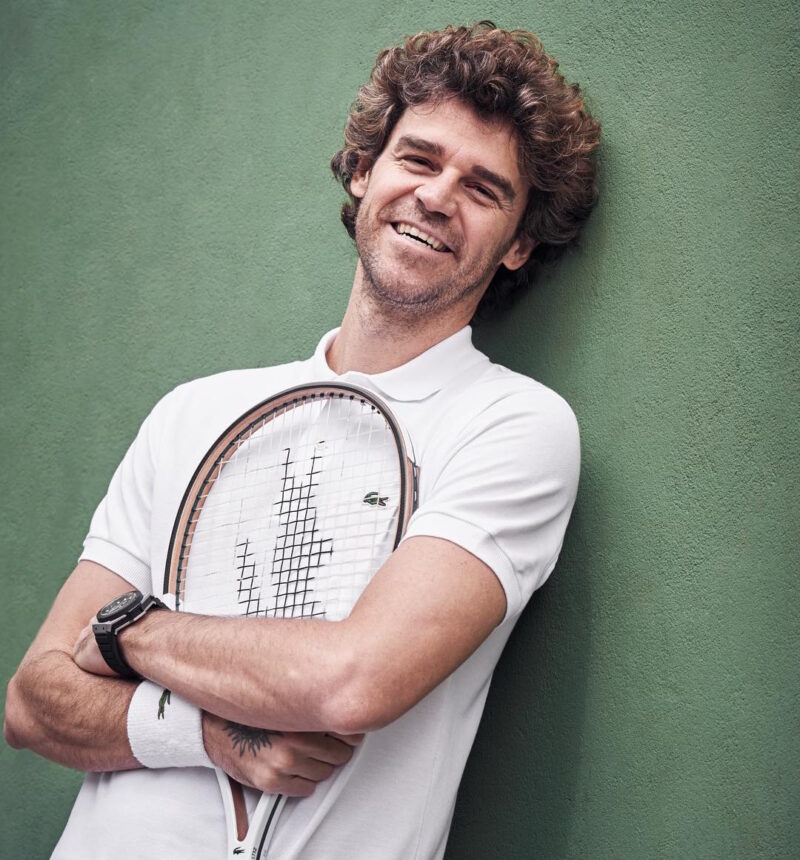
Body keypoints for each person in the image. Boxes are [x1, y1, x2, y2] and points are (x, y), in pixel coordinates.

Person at [4, 22, 600, 859]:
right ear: (363, 170)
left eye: (483, 188)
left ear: (519, 245)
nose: (437, 197)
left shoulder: (515, 426)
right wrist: (206, 733)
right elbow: (32, 702)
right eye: (419, 159)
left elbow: (350, 679)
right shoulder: (191, 414)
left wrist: (130, 632)